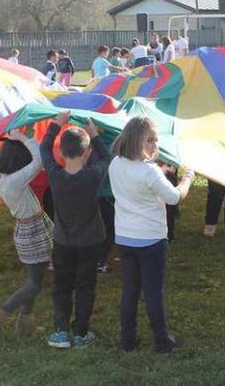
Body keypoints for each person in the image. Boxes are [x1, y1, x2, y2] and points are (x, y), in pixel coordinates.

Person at [108, 117, 195, 354]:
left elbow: (142, 178)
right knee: (153, 292)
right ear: (136, 140)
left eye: (156, 140)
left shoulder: (116, 163)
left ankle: (127, 340)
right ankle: (162, 341)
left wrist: (159, 170)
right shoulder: (149, 172)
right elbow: (175, 197)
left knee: (130, 290)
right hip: (150, 240)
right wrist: (187, 179)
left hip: (125, 237)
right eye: (150, 140)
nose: (155, 145)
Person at [41, 111, 111, 349]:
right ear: (87, 152)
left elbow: (43, 150)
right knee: (85, 286)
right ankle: (81, 334)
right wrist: (94, 135)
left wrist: (55, 125)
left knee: (62, 286)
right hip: (90, 243)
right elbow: (108, 157)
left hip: (62, 243)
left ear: (60, 152)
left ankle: (61, 332)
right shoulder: (93, 175)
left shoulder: (55, 175)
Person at [0, 130, 52, 338]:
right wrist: (23, 139)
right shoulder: (14, 180)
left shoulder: (5, 178)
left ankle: (25, 326)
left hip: (30, 228)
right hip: (32, 231)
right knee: (35, 284)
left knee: (34, 281)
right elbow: (39, 157)